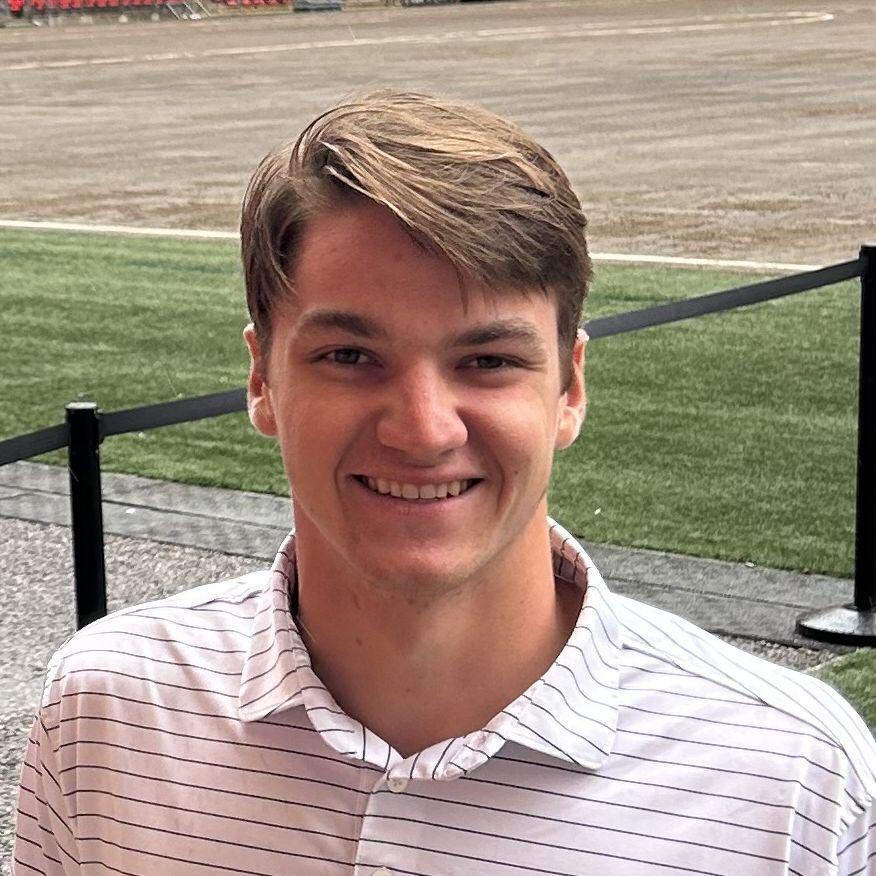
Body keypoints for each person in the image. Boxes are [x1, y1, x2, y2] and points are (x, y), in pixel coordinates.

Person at [13, 90, 875, 875]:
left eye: (488, 360)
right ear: (261, 380)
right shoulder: (107, 711)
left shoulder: (794, 782)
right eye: (349, 356)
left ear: (569, 389)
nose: (423, 430)